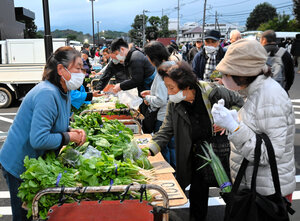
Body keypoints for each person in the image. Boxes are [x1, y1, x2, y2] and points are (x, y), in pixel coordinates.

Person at [148, 61, 244, 221]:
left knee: (231, 194)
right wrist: (148, 150)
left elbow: (239, 102)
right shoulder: (174, 104)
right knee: (198, 196)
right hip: (197, 156)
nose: (169, 92)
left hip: (221, 153)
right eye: (167, 87)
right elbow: (165, 131)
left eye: (171, 87)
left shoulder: (212, 91)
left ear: (186, 86)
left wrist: (229, 119)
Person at [0, 46, 87, 221]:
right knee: (24, 216)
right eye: (78, 68)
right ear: (61, 69)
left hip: (34, 163)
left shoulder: (65, 91)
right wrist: (69, 137)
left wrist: (71, 130)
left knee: (36, 213)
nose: (82, 72)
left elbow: (54, 124)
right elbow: (39, 139)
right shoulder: (47, 93)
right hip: (19, 163)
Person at [212, 39, 296, 204]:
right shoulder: (256, 91)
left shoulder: (270, 98)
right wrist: (234, 119)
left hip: (267, 194)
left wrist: (234, 127)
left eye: (226, 73)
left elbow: (267, 155)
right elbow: (256, 128)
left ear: (242, 73)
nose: (222, 78)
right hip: (256, 188)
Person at [142, 41, 176, 169]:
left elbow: (161, 99)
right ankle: (175, 173)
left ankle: (170, 174)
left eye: (148, 56)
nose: (147, 58)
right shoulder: (172, 65)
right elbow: (166, 91)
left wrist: (148, 98)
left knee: (164, 150)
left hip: (163, 117)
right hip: (170, 114)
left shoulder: (163, 71)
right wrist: (151, 93)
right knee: (173, 148)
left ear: (153, 57)